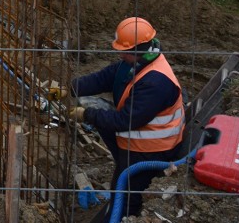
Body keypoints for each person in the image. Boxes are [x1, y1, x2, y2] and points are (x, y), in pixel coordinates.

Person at [68, 17, 185, 221]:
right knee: (104, 122)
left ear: (134, 49)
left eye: (121, 49)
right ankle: (122, 176)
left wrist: (86, 114)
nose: (118, 52)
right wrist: (69, 88)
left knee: (125, 193)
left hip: (152, 149)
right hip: (140, 138)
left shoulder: (156, 82)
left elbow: (124, 121)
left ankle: (124, 213)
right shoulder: (136, 61)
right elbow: (106, 77)